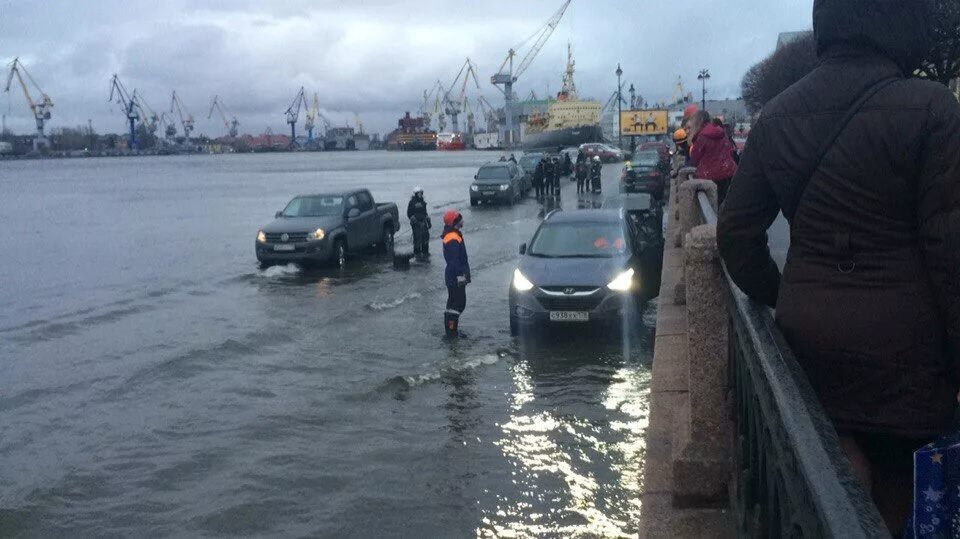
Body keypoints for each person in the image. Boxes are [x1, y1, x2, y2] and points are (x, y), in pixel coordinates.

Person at [717, 0, 960, 531]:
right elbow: (950, 257)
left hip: (811, 339)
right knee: (902, 491)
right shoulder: (933, 107)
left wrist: (789, 297)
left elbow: (736, 236)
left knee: (832, 469)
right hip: (907, 353)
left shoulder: (776, 114)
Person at [688, 110, 737, 203]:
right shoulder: (721, 133)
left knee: (711, 208)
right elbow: (730, 150)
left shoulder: (702, 137)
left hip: (710, 178)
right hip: (729, 174)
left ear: (698, 122)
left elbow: (694, 159)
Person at [441, 210, 470, 338]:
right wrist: (461, 277)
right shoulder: (452, 237)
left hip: (453, 275)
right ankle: (451, 330)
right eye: (460, 219)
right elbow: (454, 261)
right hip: (455, 276)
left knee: (453, 302)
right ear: (455, 222)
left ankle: (451, 329)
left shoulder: (454, 235)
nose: (462, 220)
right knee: (459, 303)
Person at [406, 186, 431, 256]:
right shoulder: (412, 202)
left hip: (423, 222)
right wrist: (416, 222)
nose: (420, 194)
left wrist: (428, 221)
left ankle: (426, 252)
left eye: (421, 193)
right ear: (416, 194)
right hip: (416, 224)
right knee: (417, 239)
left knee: (426, 237)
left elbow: (425, 213)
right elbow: (409, 214)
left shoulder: (423, 202)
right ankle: (417, 254)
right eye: (419, 193)